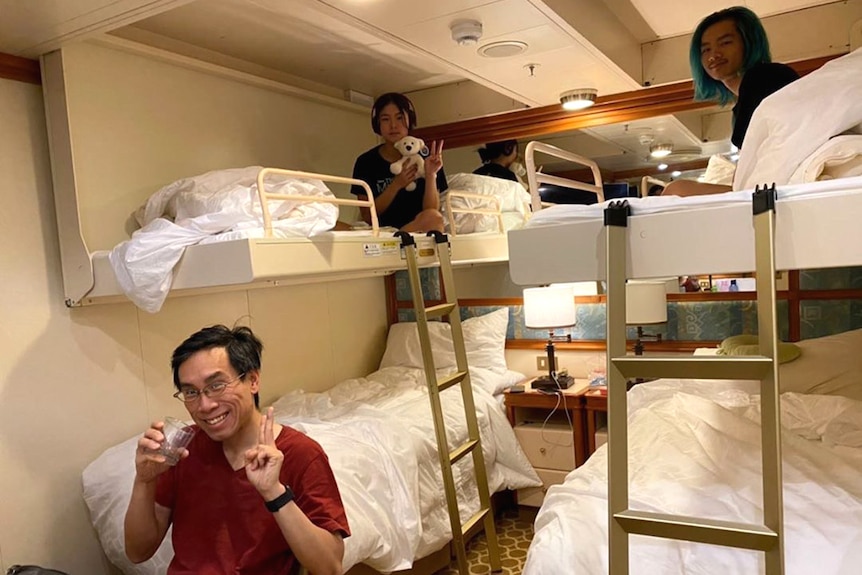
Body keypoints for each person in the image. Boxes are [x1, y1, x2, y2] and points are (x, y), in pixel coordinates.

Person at [124, 325, 349, 575]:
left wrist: (275, 493)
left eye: (217, 385)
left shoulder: (300, 454)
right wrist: (144, 481)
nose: (205, 405)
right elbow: (137, 552)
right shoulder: (183, 449)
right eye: (191, 392)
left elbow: (330, 568)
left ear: (252, 380)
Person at [663, 6, 799, 197]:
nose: (713, 55)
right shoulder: (753, 88)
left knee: (675, 190)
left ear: (749, 43)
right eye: (706, 50)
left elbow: (751, 170)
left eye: (725, 43)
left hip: (778, 186)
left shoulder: (763, 77)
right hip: (772, 184)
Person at [351, 92, 445, 232]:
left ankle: (402, 237)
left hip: (417, 231)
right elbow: (367, 216)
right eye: (385, 119)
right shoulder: (365, 162)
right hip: (383, 235)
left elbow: (431, 212)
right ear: (377, 124)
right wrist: (396, 185)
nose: (393, 125)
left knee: (433, 217)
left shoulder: (426, 157)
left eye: (399, 118)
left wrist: (431, 175)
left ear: (409, 121)